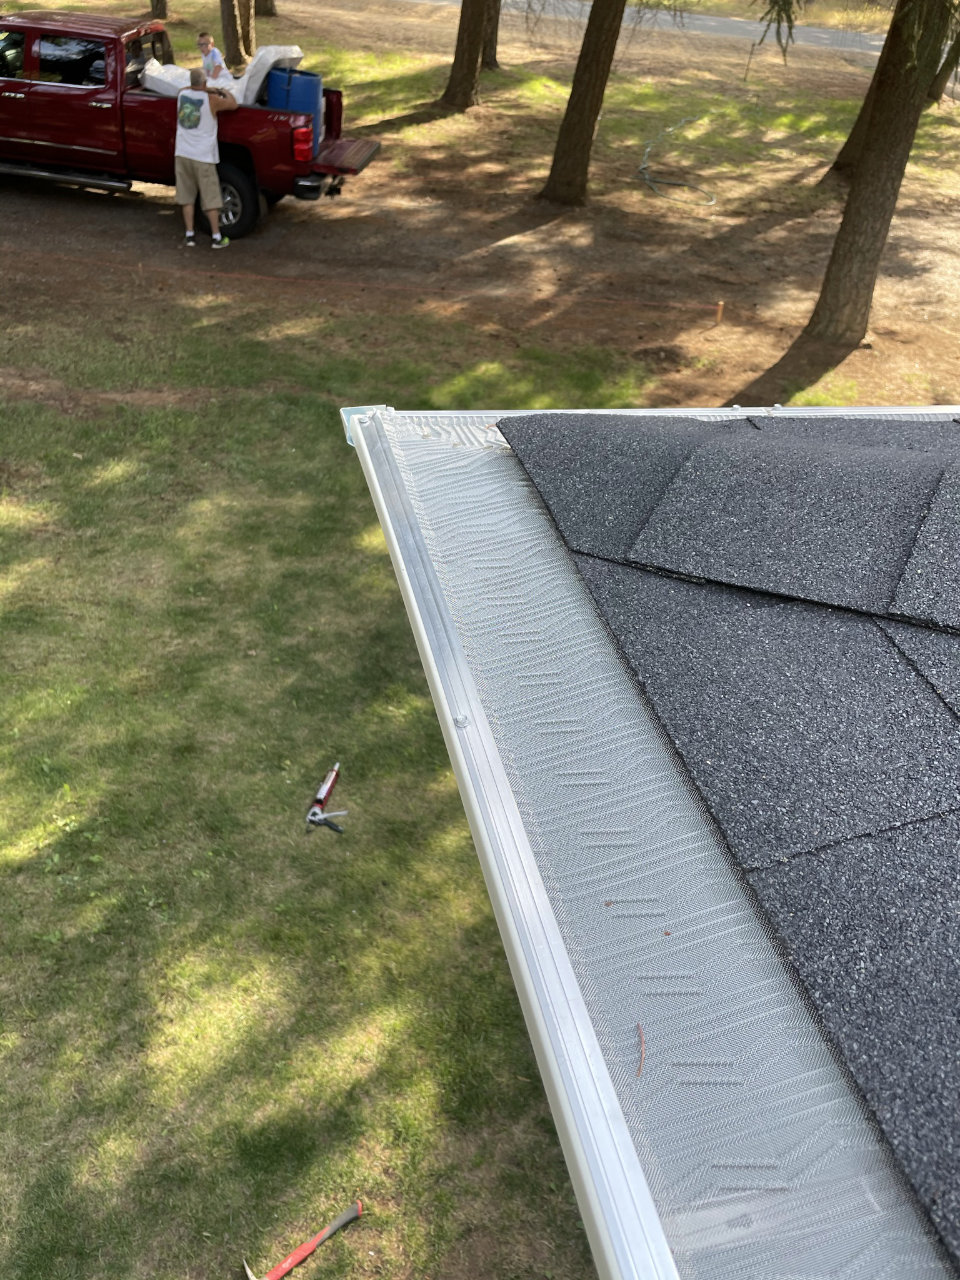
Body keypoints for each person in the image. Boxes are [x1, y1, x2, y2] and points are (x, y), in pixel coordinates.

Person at [174, 67, 238, 249]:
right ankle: (216, 237)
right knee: (210, 198)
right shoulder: (211, 100)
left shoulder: (182, 95)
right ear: (204, 83)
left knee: (187, 197)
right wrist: (220, 90)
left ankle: (189, 235)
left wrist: (202, 87)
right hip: (203, 156)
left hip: (182, 153)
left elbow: (185, 88)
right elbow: (233, 103)